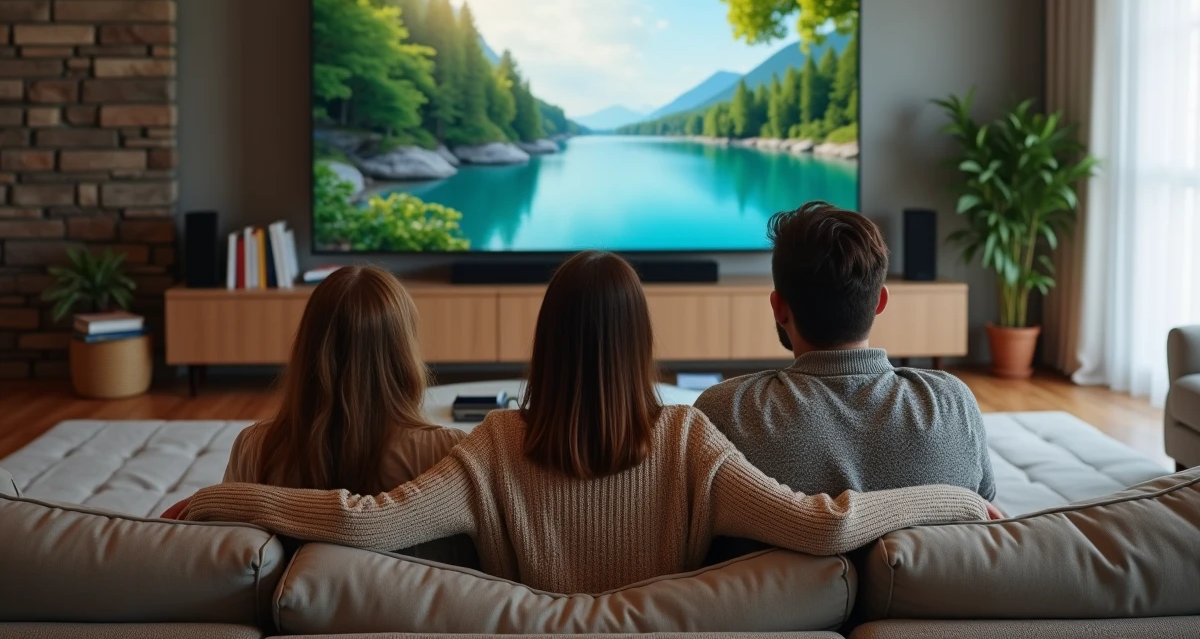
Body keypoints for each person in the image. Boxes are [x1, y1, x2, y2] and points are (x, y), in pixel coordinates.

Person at [173, 251, 993, 595]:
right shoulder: (689, 438)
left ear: (544, 342)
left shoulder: (492, 445)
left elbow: (364, 521)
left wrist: (223, 498)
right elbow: (823, 525)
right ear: (642, 345)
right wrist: (954, 500)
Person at [695, 202, 996, 503]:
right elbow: (984, 511)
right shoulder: (954, 403)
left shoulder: (724, 414)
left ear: (778, 307)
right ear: (880, 301)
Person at [169, 265, 471, 563]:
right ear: (403, 351)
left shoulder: (255, 448)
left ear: (309, 347)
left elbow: (228, 560)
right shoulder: (445, 451)